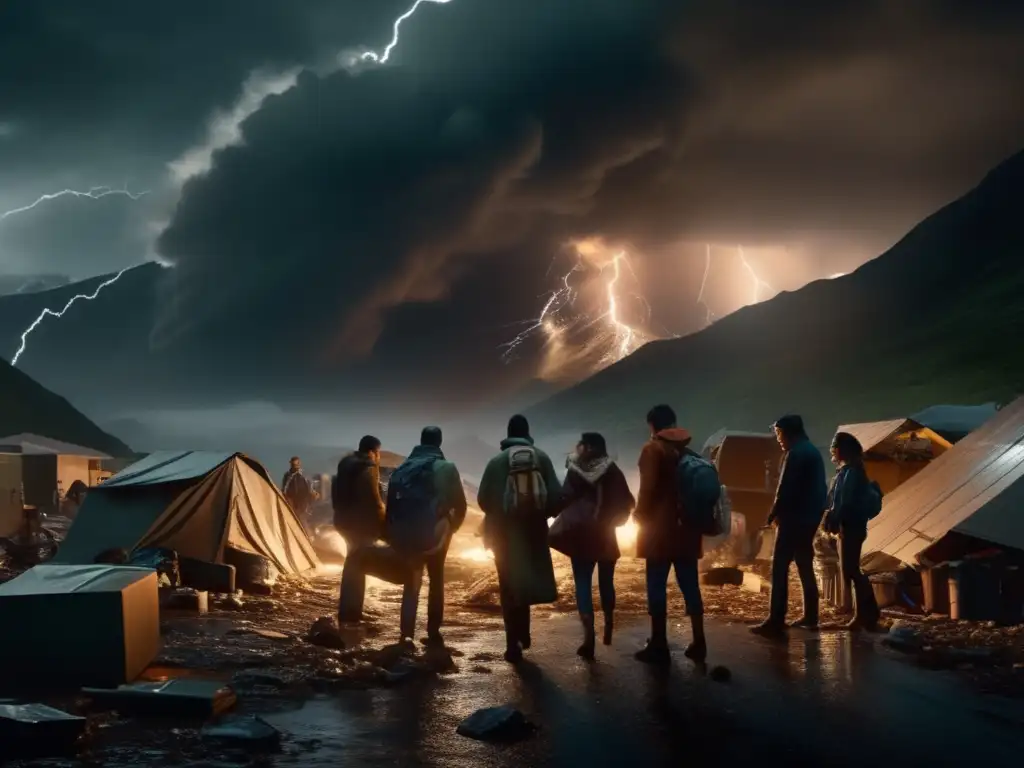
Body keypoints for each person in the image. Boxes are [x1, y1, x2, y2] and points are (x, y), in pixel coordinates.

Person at [477, 414, 562, 663]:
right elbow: (556, 497)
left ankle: (511, 642)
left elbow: (483, 499)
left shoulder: (496, 462)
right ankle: (524, 633)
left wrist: (502, 513)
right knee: (526, 579)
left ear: (508, 433)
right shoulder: (542, 458)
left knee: (508, 584)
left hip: (503, 535)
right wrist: (541, 514)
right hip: (534, 533)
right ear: (527, 433)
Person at [633, 404, 708, 664]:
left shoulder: (652, 450)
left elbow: (647, 490)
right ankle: (699, 641)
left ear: (652, 426)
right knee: (690, 585)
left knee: (656, 584)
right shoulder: (688, 451)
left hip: (659, 532)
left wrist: (638, 515)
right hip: (687, 530)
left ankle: (658, 642)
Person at [551, 432, 635, 659]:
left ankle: (588, 637)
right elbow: (628, 500)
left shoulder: (576, 469)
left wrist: (550, 513)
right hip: (606, 534)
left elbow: (564, 497)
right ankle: (608, 626)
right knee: (607, 582)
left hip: (581, 536)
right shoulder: (612, 469)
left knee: (583, 583)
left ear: (586, 447)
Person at [385, 426, 467, 646]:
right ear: (439, 443)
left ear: (421, 441)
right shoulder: (446, 468)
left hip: (406, 533)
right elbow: (461, 505)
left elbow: (390, 506)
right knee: (436, 579)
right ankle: (433, 632)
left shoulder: (403, 467)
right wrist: (451, 528)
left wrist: (393, 534)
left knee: (411, 581)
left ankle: (406, 634)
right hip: (433, 533)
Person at [751, 414, 828, 637]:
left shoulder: (795, 454)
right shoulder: (812, 451)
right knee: (804, 564)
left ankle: (776, 619)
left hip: (794, 517)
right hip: (809, 518)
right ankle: (811, 616)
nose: (778, 440)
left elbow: (784, 489)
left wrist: (773, 513)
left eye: (779, 434)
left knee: (779, 566)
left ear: (788, 432)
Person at [823, 431, 880, 631]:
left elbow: (844, 502)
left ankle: (865, 615)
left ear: (840, 451)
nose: (833, 452)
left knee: (852, 570)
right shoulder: (849, 471)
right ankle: (866, 614)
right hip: (849, 526)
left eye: (834, 448)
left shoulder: (851, 473)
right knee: (851, 570)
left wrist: (833, 520)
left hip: (852, 527)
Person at [333, 435, 386, 555]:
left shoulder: (345, 464)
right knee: (359, 558)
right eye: (378, 453)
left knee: (353, 553)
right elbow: (374, 500)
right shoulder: (368, 468)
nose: (379, 456)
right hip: (361, 524)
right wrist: (384, 519)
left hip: (342, 520)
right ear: (372, 452)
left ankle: (352, 570)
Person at [282, 456, 315, 521]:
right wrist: (284, 494)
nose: (296, 467)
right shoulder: (288, 475)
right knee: (293, 514)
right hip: (291, 498)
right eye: (294, 465)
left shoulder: (304, 474)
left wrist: (312, 492)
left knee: (302, 515)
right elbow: (285, 486)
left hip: (303, 499)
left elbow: (310, 484)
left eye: (297, 465)